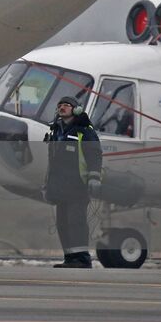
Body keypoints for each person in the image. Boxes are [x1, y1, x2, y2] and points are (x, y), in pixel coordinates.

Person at [43, 95, 103, 268]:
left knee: (76, 221)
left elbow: (95, 154)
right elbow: (51, 161)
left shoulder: (84, 131)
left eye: (67, 105)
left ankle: (82, 259)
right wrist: (47, 184)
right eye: (60, 104)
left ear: (76, 109)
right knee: (62, 223)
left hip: (78, 186)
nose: (62, 107)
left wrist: (93, 177)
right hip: (60, 186)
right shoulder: (56, 131)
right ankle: (70, 258)